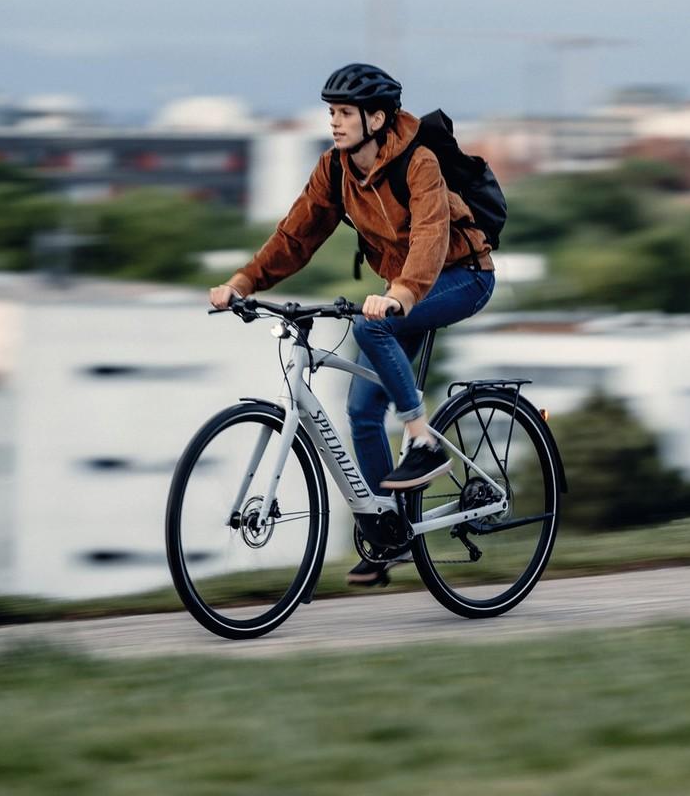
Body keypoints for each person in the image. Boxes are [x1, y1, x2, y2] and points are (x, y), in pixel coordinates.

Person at [208, 63, 495, 585]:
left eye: (344, 113)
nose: (334, 122)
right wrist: (243, 282)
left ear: (376, 118)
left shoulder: (419, 162)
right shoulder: (335, 168)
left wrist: (401, 294)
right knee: (362, 410)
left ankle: (423, 441)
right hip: (401, 291)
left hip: (461, 276)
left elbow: (431, 235)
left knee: (370, 328)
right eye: (332, 113)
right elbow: (296, 236)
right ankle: (390, 531)